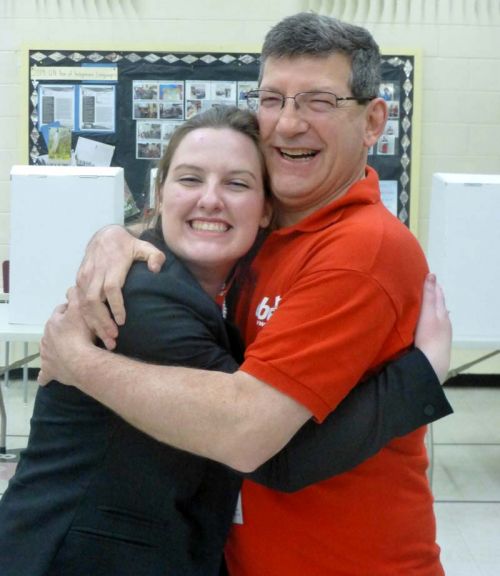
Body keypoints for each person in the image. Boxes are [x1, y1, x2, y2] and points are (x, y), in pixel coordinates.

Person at [38, 13, 452, 576]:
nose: (287, 124)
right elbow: (195, 223)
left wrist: (78, 362)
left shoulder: (362, 248)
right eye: (273, 99)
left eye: (319, 102)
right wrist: (113, 236)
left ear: (373, 120)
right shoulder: (269, 232)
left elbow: (248, 434)